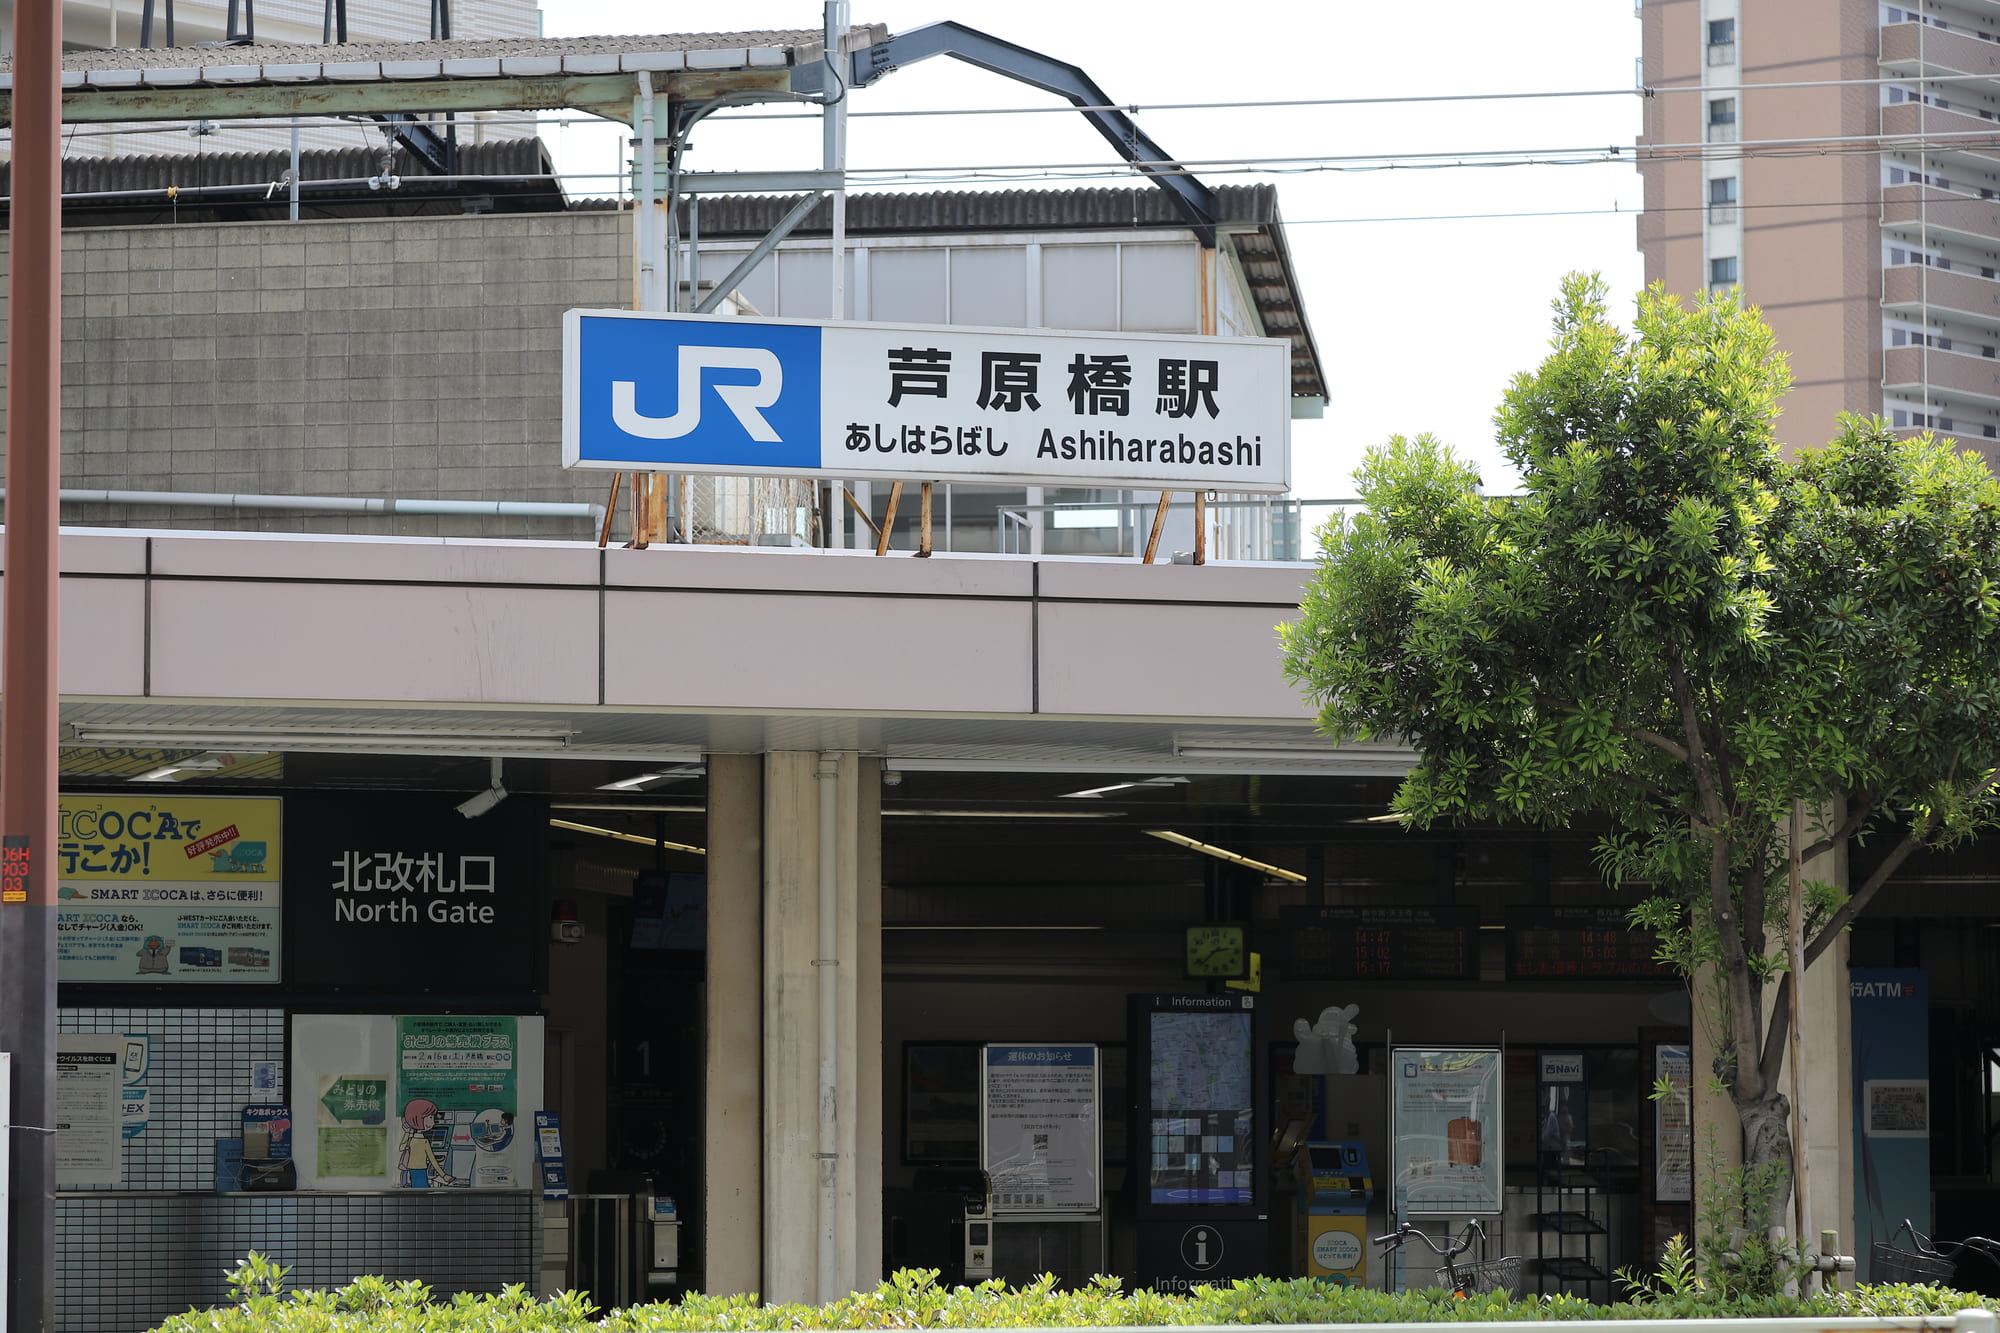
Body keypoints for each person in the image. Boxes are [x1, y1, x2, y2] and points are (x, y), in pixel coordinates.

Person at [399, 1099, 457, 1187]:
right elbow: (432, 1160)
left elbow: (401, 1148)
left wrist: (407, 1133)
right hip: (421, 1170)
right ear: (418, 1119)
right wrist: (443, 1175)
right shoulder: (424, 1142)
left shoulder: (411, 1140)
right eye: (430, 1117)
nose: (433, 1122)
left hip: (412, 1170)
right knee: (422, 1190)